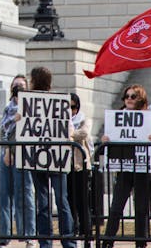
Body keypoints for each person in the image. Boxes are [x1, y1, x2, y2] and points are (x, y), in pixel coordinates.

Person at [101, 84, 151, 248]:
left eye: (133, 96)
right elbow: (110, 138)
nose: (129, 99)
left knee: (141, 209)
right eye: (127, 96)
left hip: (142, 168)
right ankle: (107, 242)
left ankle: (141, 243)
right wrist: (105, 140)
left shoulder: (147, 118)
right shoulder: (116, 118)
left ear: (140, 99)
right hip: (124, 168)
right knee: (116, 206)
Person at [28, 67, 75, 248]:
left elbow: (68, 127)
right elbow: (70, 128)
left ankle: (48, 242)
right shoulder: (55, 101)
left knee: (49, 202)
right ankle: (66, 242)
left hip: (49, 156)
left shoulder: (52, 102)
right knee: (58, 201)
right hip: (50, 156)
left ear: (35, 80)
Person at [0, 74, 35, 248]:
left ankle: (29, 236)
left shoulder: (31, 108)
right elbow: (3, 130)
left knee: (25, 196)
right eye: (15, 85)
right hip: (7, 155)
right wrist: (7, 151)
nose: (18, 88)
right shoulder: (8, 108)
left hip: (25, 156)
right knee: (5, 197)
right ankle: (4, 238)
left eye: (21, 85)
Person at [67, 93, 93, 248]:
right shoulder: (60, 121)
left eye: (73, 107)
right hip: (65, 166)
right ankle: (73, 233)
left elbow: (84, 133)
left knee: (83, 202)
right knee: (69, 201)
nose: (70, 111)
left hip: (81, 166)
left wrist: (68, 134)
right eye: (67, 107)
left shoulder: (84, 119)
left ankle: (87, 234)